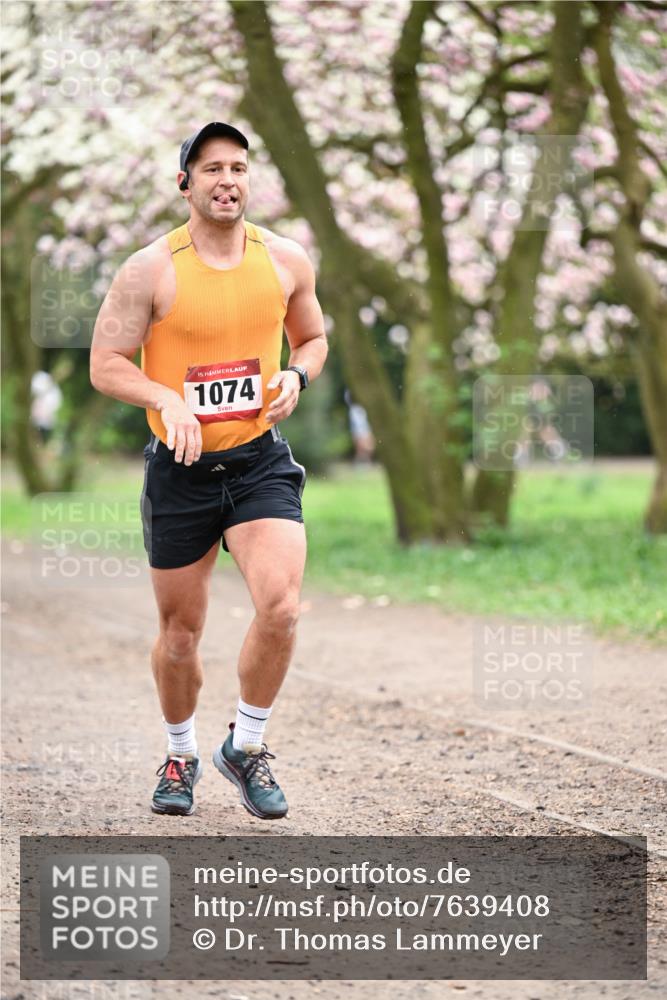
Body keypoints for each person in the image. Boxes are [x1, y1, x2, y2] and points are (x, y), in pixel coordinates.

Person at [90, 121, 328, 820]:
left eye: (239, 168)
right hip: (181, 472)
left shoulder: (284, 260)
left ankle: (245, 746)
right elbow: (106, 364)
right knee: (180, 637)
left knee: (280, 608)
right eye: (212, 168)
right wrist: (165, 398)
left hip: (259, 462)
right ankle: (180, 753)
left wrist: (296, 376)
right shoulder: (149, 270)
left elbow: (312, 338)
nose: (228, 180)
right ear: (184, 183)